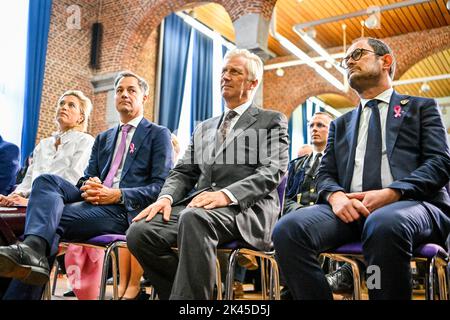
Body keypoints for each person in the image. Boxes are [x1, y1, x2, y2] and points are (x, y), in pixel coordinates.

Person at [273, 37, 450, 300]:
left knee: (382, 224)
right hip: (351, 210)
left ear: (385, 61)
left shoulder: (420, 108)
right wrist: (336, 197)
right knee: (288, 230)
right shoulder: (340, 124)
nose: (349, 62)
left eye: (357, 54)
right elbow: (326, 174)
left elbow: (439, 163)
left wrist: (393, 192)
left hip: (413, 204)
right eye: (346, 60)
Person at [126, 48, 289, 300]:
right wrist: (166, 198)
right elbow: (183, 171)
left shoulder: (271, 120)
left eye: (234, 71)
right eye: (223, 70)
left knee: (194, 218)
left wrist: (226, 195)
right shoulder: (205, 127)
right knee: (139, 232)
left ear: (253, 82)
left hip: (245, 210)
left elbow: (272, 171)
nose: (225, 76)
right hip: (199, 206)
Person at [0, 71, 173, 300]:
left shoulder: (158, 134)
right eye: (119, 90)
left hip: (125, 210)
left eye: (131, 90)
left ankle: (31, 253)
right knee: (46, 180)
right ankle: (33, 251)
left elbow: (161, 186)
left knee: (50, 223)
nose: (124, 94)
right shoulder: (104, 138)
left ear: (144, 98)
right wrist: (89, 184)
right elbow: (85, 177)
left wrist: (117, 194)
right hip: (92, 202)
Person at [0, 90, 94, 207]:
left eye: (71, 105)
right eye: (61, 103)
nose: (64, 107)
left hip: (60, 202)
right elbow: (29, 178)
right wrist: (14, 196)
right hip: (33, 198)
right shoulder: (44, 144)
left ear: (81, 118)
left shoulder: (86, 141)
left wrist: (32, 201)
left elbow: (72, 180)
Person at [284, 112, 332, 214]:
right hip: (296, 216)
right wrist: (299, 210)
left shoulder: (339, 163)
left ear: (332, 130)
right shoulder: (296, 165)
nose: (314, 129)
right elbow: (284, 198)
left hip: (325, 218)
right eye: (311, 126)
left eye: (320, 125)